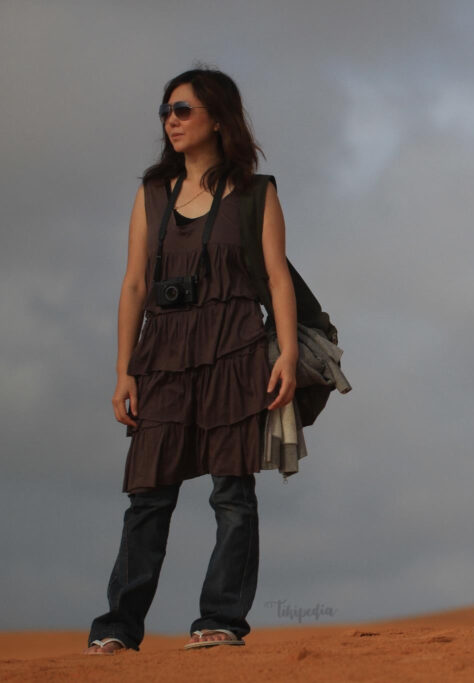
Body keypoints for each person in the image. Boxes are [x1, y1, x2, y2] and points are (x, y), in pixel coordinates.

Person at [84, 65, 299, 654]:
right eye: (165, 111)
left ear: (216, 117)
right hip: (165, 353)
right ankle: (118, 629)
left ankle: (221, 619)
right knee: (148, 496)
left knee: (233, 493)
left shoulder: (257, 192)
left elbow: (278, 279)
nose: (170, 121)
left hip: (235, 347)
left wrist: (284, 357)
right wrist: (124, 370)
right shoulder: (152, 194)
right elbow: (133, 285)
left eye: (182, 110)